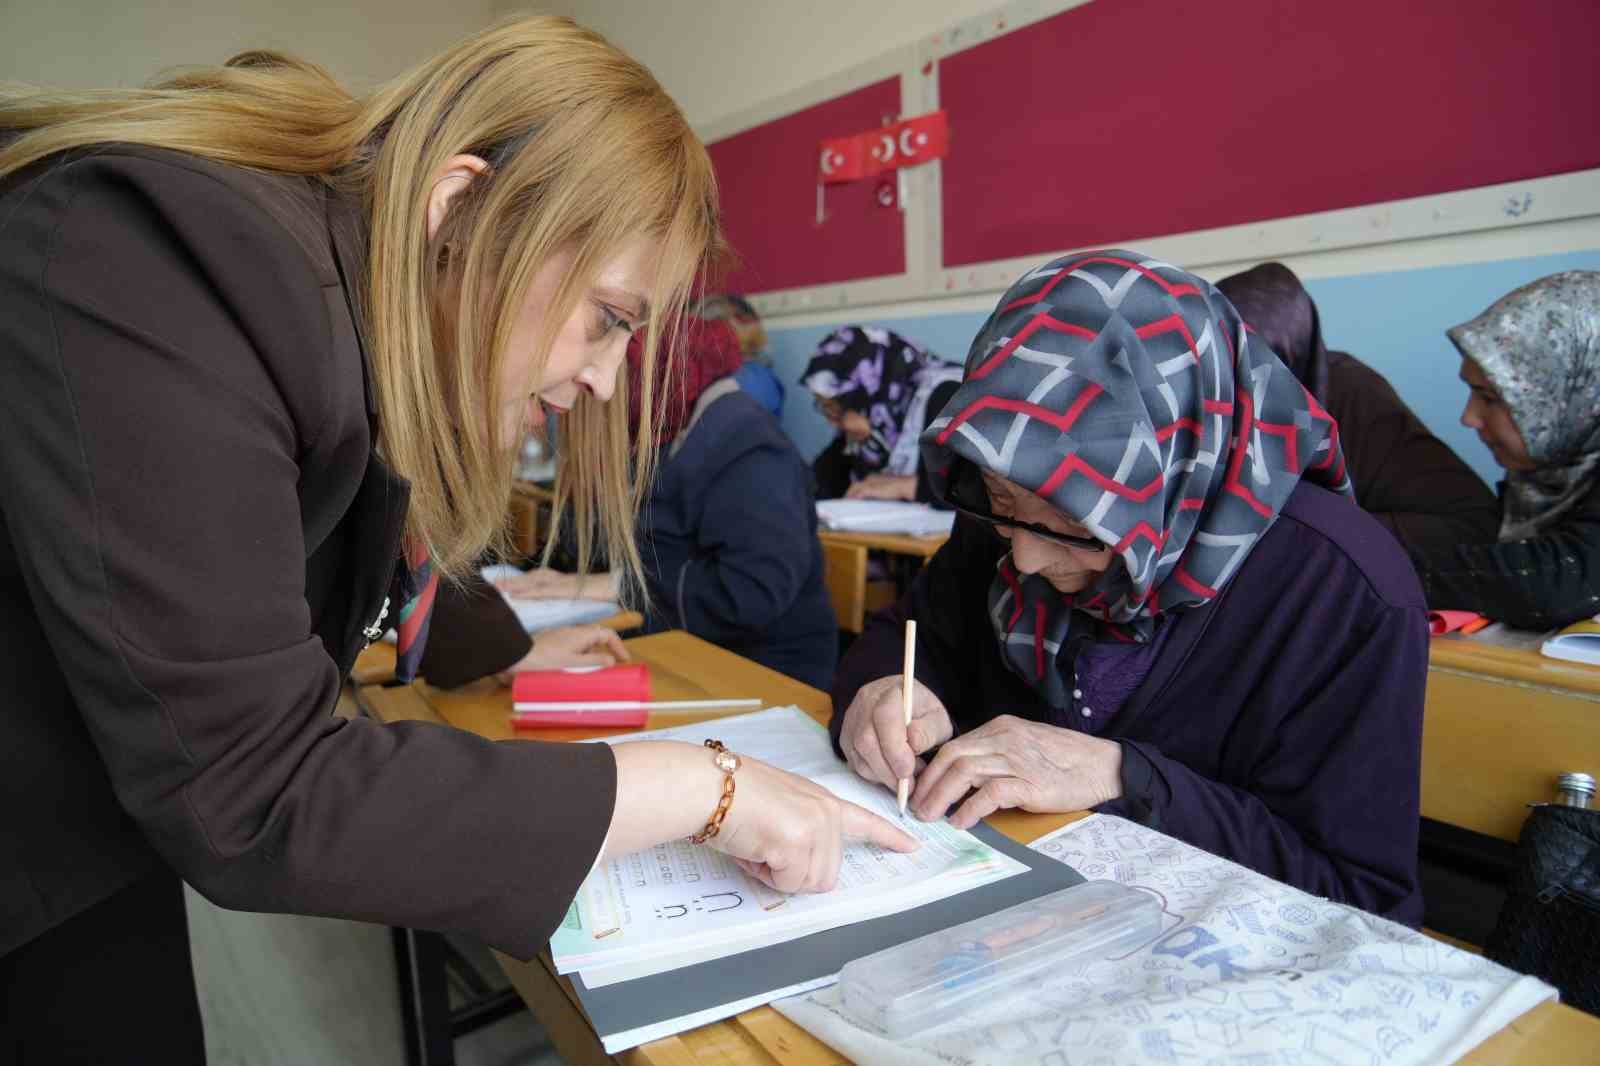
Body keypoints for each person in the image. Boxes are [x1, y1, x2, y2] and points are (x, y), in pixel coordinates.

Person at [0, 20, 914, 1061]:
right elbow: (254, 788)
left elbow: (374, 534)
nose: (605, 381)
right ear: (461, 211)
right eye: (609, 318)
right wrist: (701, 786)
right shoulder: (163, 261)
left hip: (85, 828)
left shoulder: (327, 293)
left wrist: (512, 651)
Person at [831, 250, 1428, 925]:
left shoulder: (1342, 591)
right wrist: (884, 691)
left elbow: (1359, 892)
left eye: (1075, 524)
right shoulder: (1014, 496)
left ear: (1174, 469)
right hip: (1006, 914)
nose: (1023, 559)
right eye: (1000, 501)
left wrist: (1122, 777)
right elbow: (910, 635)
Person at [492, 315, 840, 688]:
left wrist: (615, 586)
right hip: (674, 646)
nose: (598, 391)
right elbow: (621, 544)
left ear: (651, 378)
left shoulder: (751, 448)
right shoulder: (665, 433)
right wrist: (557, 576)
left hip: (754, 670)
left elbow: (749, 591)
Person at [1216, 262, 1501, 573]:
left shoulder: (1350, 393)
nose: (1241, 385)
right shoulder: (1213, 396)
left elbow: (1473, 525)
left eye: (1253, 368)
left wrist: (1323, 537)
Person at [1410, 271, 1600, 629]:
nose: (1469, 418)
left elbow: (1561, 581)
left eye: (1490, 398)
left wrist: (1370, 570)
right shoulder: (1546, 481)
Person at [803, 326, 963, 502]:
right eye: (824, 407)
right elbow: (815, 485)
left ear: (869, 393)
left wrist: (906, 487)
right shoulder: (873, 425)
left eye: (835, 409)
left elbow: (969, 487)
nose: (833, 423)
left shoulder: (947, 397)